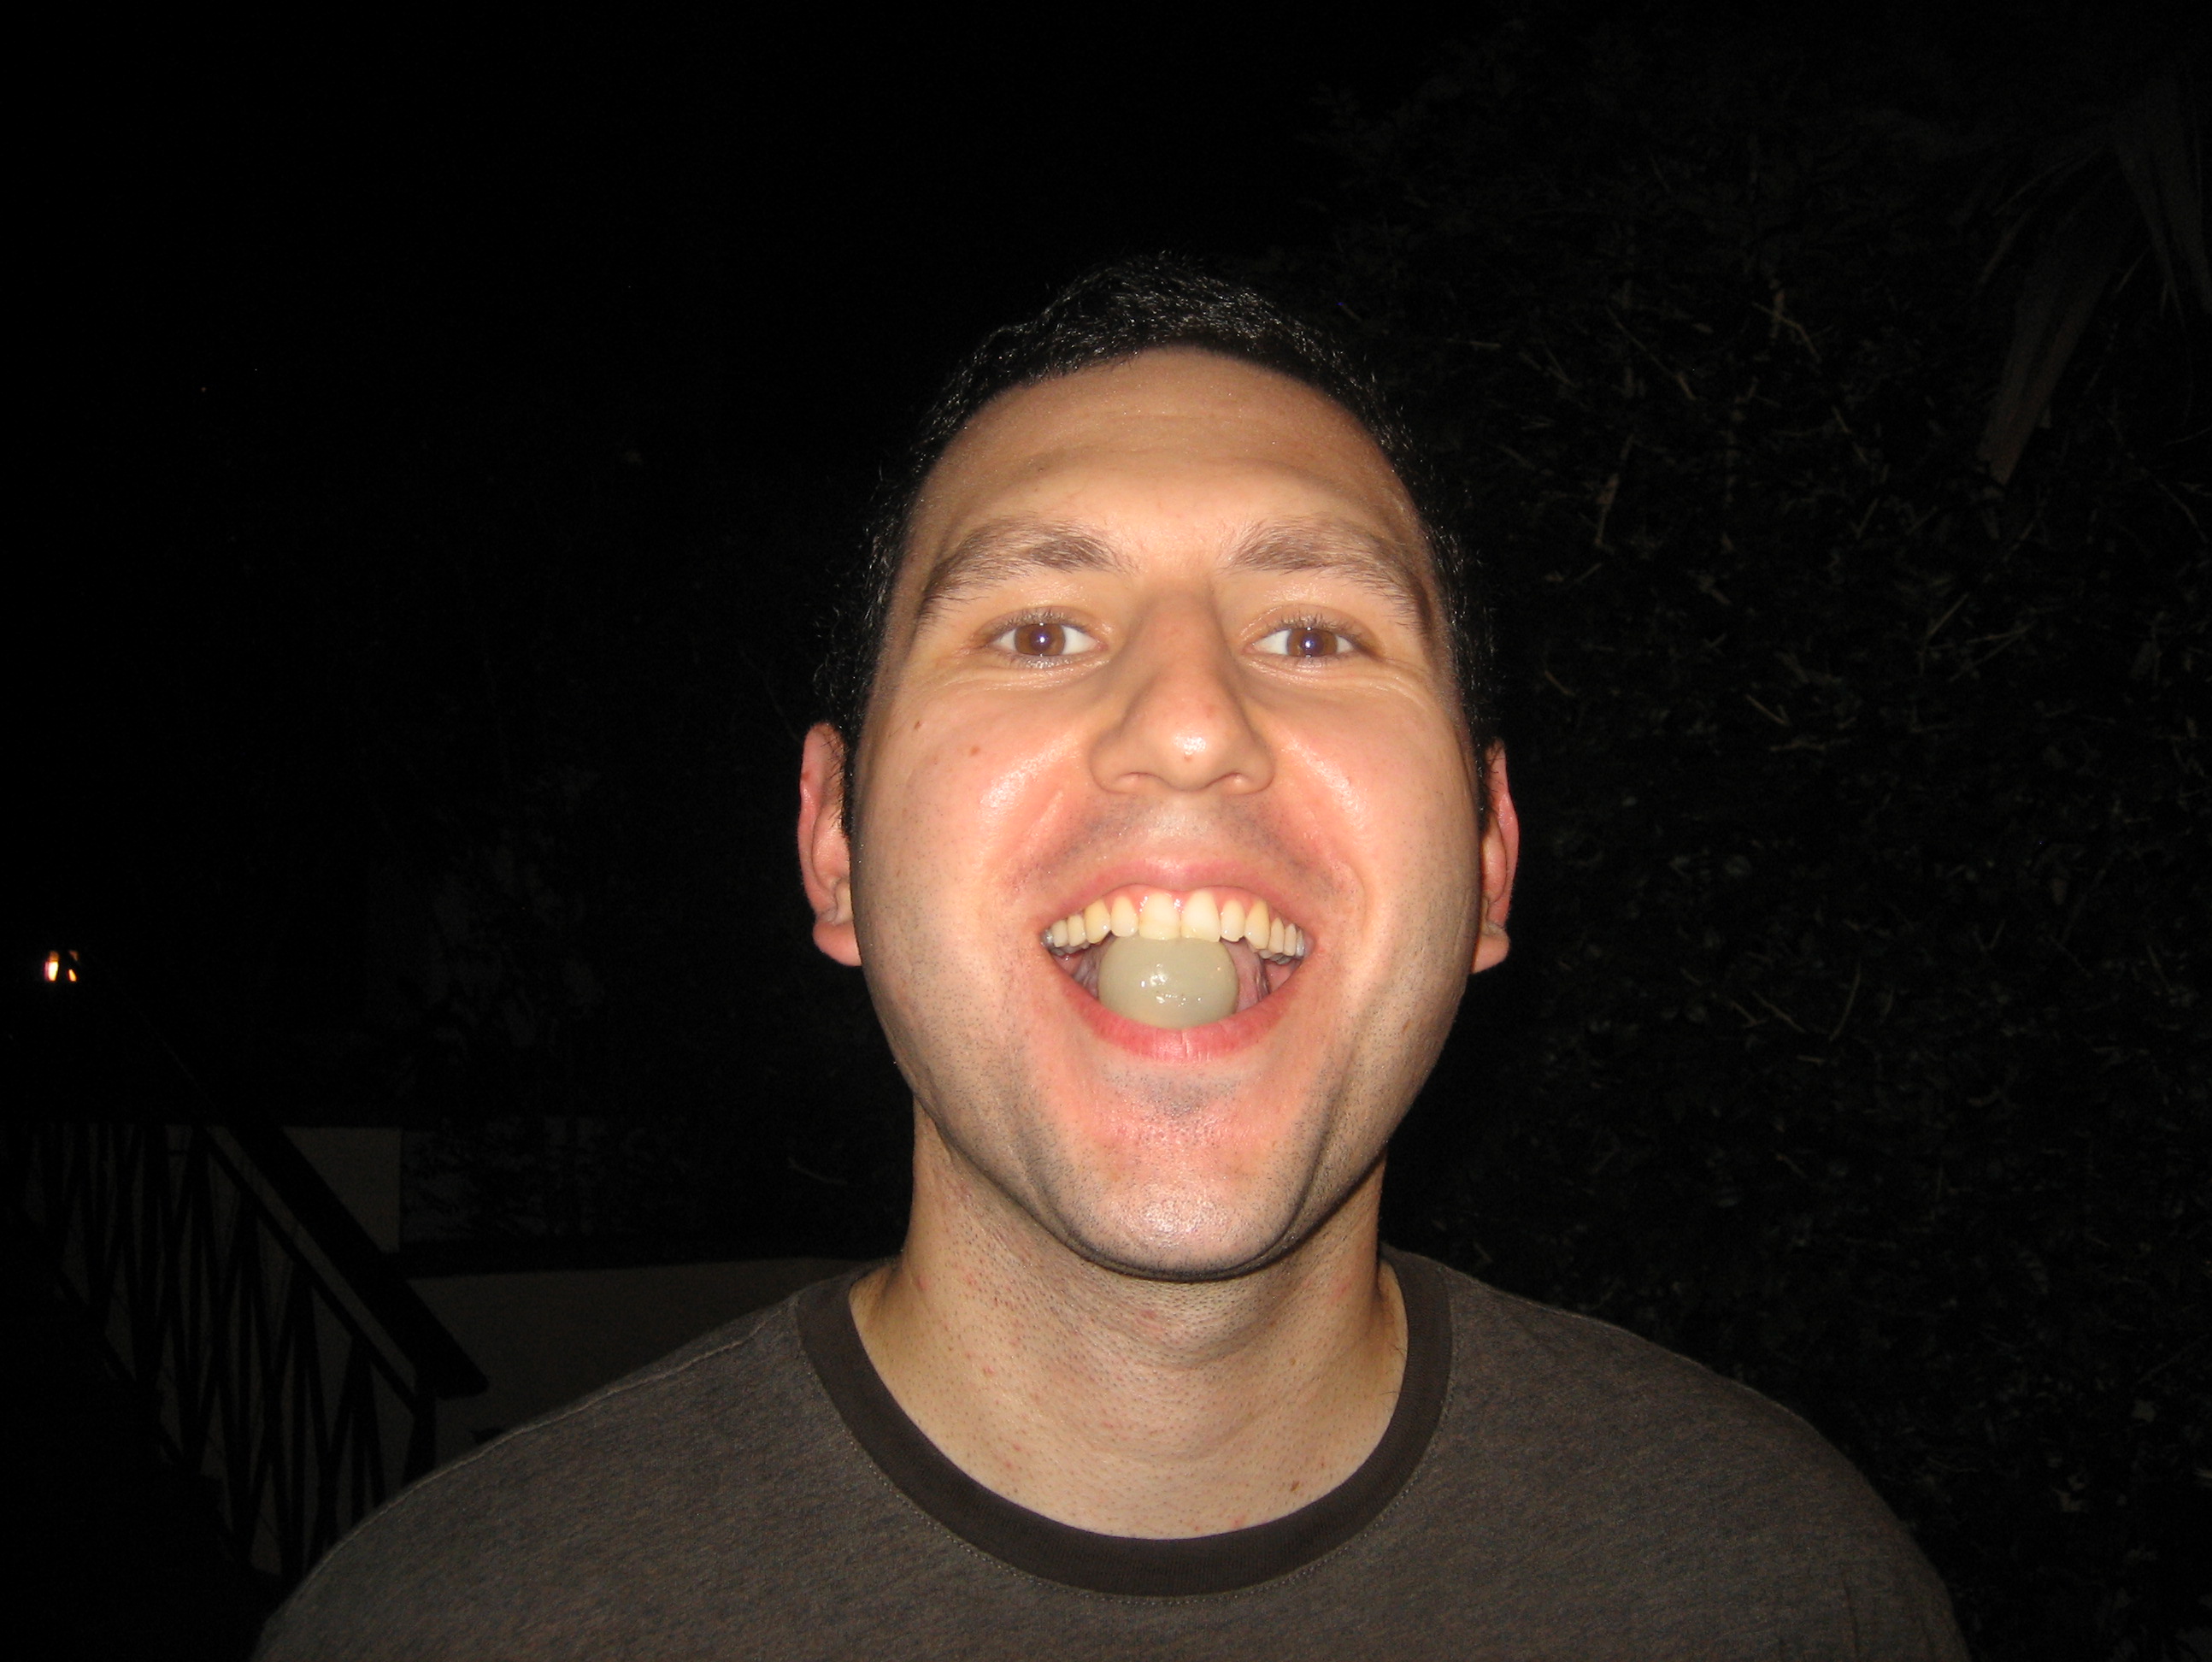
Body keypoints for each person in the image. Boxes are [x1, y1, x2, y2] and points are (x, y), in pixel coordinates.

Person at [256, 260, 1967, 1659]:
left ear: (1491, 857)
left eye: (1317, 632)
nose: (1190, 723)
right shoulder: (445, 1627)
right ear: (834, 842)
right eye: (1037, 628)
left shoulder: (1788, 1591)